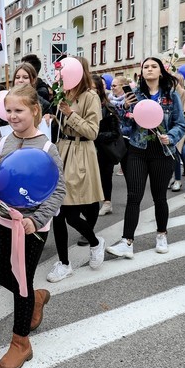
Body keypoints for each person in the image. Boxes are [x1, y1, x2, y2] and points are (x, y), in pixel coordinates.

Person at [0, 85, 65, 368]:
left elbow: (58, 190)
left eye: (19, 111)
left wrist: (35, 220)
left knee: (21, 281)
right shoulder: (3, 144)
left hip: (32, 227)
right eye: (9, 111)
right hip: (4, 219)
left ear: (35, 110)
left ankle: (20, 343)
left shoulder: (48, 148)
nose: (12, 116)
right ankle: (35, 298)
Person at [106, 57, 185, 259]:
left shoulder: (171, 95)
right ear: (141, 73)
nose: (149, 69)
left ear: (161, 72)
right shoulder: (135, 95)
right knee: (134, 196)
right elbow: (126, 127)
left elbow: (180, 124)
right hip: (137, 151)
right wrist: (125, 109)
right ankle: (127, 242)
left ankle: (161, 234)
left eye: (153, 66)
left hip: (162, 152)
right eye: (146, 67)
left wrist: (172, 137)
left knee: (160, 197)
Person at [46, 56, 105, 282]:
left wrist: (70, 114)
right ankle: (64, 262)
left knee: (70, 213)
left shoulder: (90, 97)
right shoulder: (64, 93)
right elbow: (63, 126)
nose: (61, 76)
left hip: (80, 154)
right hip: (62, 152)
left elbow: (91, 132)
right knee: (58, 213)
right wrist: (54, 117)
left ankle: (95, 242)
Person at [92, 74, 122, 217]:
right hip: (89, 149)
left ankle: (107, 202)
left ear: (99, 90)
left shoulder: (108, 107)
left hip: (105, 150)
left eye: (93, 88)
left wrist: (96, 136)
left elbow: (116, 133)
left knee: (105, 177)